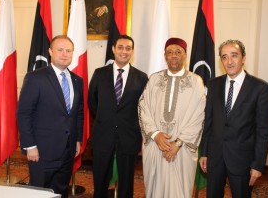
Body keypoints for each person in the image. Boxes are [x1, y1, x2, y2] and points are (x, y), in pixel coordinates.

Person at [199, 39, 268, 198]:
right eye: (224, 57)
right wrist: (204, 152)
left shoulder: (260, 88)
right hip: (215, 156)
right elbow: (209, 122)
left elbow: (263, 130)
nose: (229, 61)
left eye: (234, 55)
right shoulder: (213, 84)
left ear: (243, 58)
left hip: (242, 160)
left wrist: (258, 165)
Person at [17, 35, 84, 198]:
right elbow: (24, 113)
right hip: (41, 151)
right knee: (39, 193)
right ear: (50, 51)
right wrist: (30, 145)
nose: (64, 54)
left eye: (68, 50)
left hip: (67, 151)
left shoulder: (77, 80)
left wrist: (77, 140)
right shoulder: (36, 77)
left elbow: (78, 112)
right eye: (60, 50)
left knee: (60, 191)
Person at [138, 37, 206, 198]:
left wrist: (178, 143)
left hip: (182, 148)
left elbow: (199, 115)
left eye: (178, 52)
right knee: (155, 189)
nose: (174, 55)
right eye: (170, 52)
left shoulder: (196, 81)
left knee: (180, 191)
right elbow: (143, 107)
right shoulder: (154, 79)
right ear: (165, 56)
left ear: (185, 55)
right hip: (156, 145)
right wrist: (155, 135)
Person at [88, 34, 148, 198]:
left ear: (132, 52)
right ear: (113, 49)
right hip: (103, 134)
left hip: (129, 136)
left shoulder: (141, 77)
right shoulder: (100, 73)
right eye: (120, 47)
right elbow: (92, 101)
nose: (124, 51)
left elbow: (144, 106)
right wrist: (105, 118)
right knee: (100, 179)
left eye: (128, 48)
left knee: (126, 182)